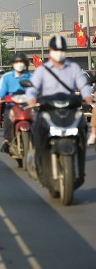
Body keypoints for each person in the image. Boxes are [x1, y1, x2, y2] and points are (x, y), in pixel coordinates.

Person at [26, 34, 93, 187]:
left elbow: (83, 85)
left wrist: (87, 96)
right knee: (37, 132)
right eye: (56, 49)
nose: (59, 52)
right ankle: (39, 167)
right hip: (47, 110)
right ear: (50, 50)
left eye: (62, 49)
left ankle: (80, 171)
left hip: (70, 109)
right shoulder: (42, 70)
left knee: (82, 128)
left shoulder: (74, 68)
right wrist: (31, 98)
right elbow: (33, 88)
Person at [0, 52, 32, 153]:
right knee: (7, 118)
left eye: (21, 62)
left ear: (26, 64)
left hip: (29, 106)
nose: (19, 64)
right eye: (17, 62)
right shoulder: (7, 77)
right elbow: (0, 92)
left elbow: (39, 90)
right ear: (12, 64)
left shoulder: (32, 76)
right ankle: (7, 140)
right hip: (12, 106)